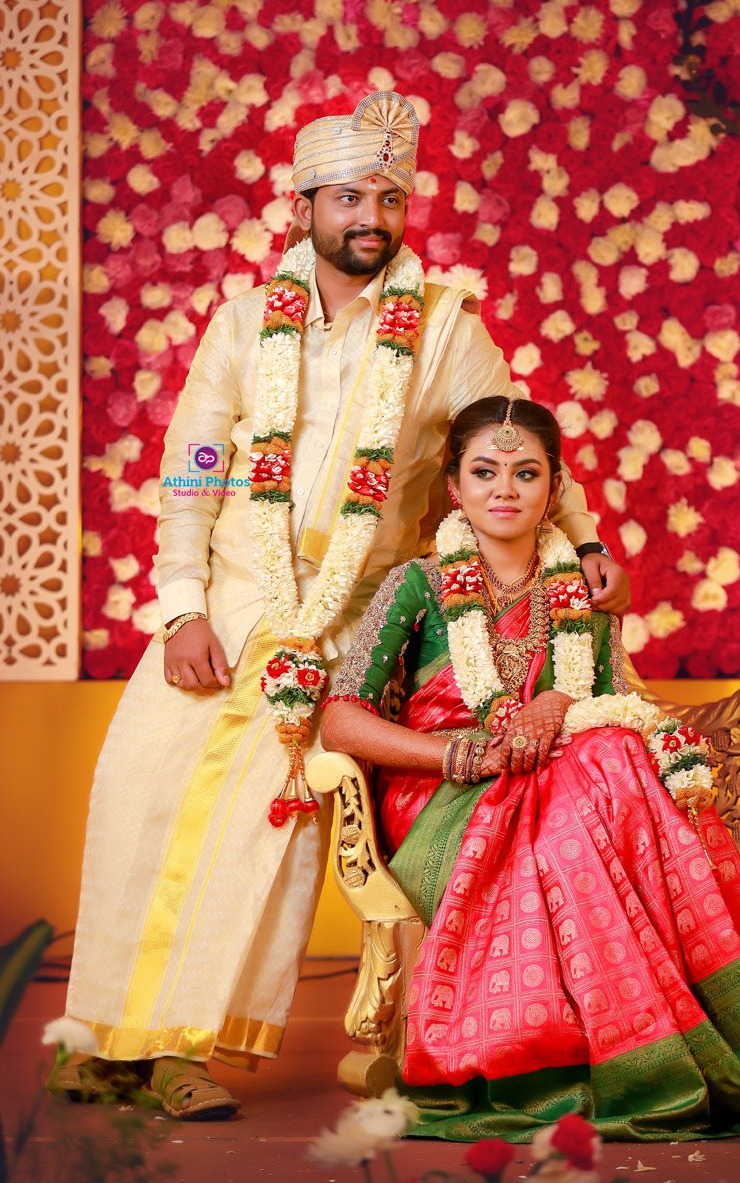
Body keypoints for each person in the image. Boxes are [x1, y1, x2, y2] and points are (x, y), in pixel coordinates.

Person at [51, 93, 628, 1120]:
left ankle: (191, 1050)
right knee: (138, 792)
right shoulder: (240, 325)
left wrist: (580, 542)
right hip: (230, 600)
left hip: (348, 616)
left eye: (390, 197)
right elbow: (191, 473)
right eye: (351, 195)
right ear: (304, 203)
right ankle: (101, 1037)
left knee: (267, 835)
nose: (372, 214)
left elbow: (510, 433)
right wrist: (180, 610)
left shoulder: (446, 330)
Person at [321, 396, 740, 1142]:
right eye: (484, 471)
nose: (505, 488)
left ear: (553, 489)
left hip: (571, 787)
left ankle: (643, 1051)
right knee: (594, 785)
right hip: (447, 797)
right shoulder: (417, 586)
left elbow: (617, 706)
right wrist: (463, 752)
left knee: (609, 757)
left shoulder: (582, 589)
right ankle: (604, 1058)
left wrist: (555, 700)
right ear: (454, 487)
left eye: (527, 473)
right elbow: (340, 718)